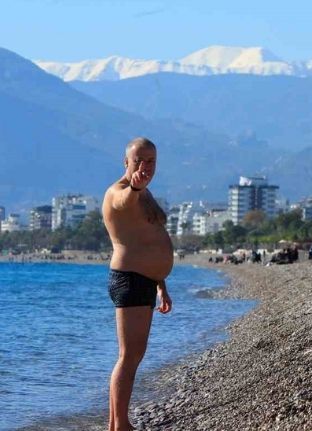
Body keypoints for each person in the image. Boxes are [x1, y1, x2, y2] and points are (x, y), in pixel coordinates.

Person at [102, 137, 173, 431]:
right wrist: (134, 186)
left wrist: (161, 284)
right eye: (139, 160)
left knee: (133, 355)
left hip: (146, 280)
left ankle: (114, 423)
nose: (145, 166)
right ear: (126, 162)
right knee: (129, 356)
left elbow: (149, 239)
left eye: (151, 161)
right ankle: (122, 425)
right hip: (129, 279)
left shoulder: (145, 192)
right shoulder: (118, 192)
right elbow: (123, 201)